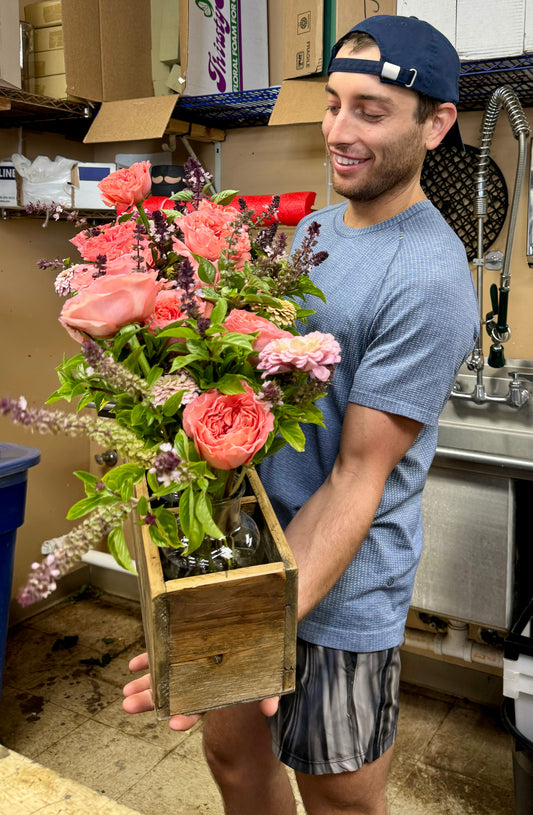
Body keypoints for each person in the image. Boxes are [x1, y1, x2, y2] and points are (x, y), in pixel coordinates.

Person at [123, 14, 480, 815]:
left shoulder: (426, 274)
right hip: (251, 549)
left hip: (343, 588)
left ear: (436, 123)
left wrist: (244, 617)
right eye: (331, 104)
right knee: (233, 760)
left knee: (339, 795)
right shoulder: (313, 233)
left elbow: (358, 474)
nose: (338, 132)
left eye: (370, 111)